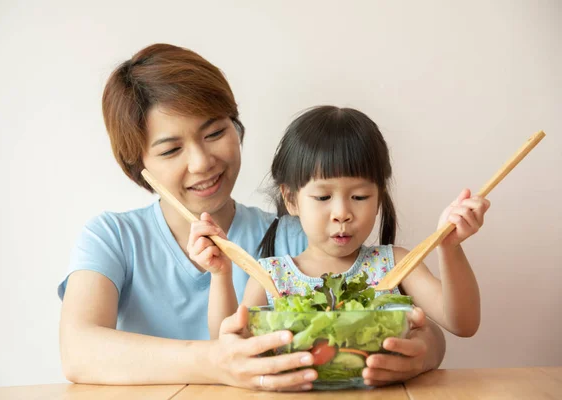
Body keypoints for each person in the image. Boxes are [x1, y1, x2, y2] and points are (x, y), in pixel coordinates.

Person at [58, 43, 446, 391]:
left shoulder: (294, 240)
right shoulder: (112, 237)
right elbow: (77, 350)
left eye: (213, 133)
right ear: (138, 167)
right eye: (171, 149)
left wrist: (422, 352)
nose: (202, 161)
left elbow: (408, 321)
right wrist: (217, 362)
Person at [189, 105, 489, 382]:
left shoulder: (396, 264)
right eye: (322, 198)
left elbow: (462, 323)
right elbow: (225, 342)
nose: (342, 214)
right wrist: (221, 275)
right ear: (291, 199)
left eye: (359, 197)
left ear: (379, 197)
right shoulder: (270, 277)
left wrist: (450, 248)